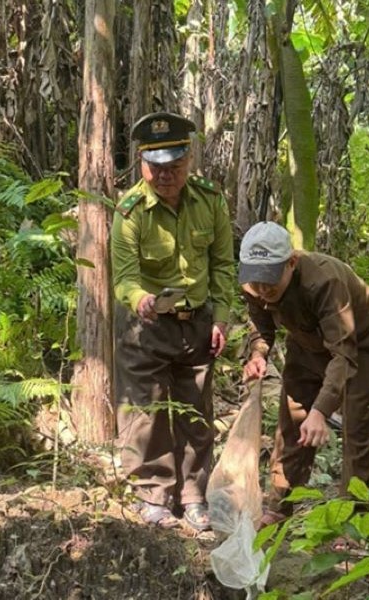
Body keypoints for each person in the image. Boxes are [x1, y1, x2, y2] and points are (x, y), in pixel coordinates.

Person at [111, 111, 235, 531]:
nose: (165, 176)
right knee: (146, 415)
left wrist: (221, 318)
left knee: (195, 412)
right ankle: (155, 495)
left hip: (197, 324)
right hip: (147, 327)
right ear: (143, 162)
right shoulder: (129, 212)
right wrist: (140, 298)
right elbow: (123, 277)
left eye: (174, 167)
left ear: (189, 160)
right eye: (155, 167)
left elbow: (223, 265)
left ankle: (194, 494)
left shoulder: (211, 200)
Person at [238, 221, 369, 527]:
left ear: (291, 262)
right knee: (291, 420)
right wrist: (257, 354)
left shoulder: (324, 281)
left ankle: (355, 516)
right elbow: (261, 327)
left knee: (356, 426)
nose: (263, 290)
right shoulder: (253, 283)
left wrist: (320, 410)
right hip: (304, 341)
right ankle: (280, 506)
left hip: (358, 343)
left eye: (270, 281)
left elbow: (344, 353)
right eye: (257, 281)